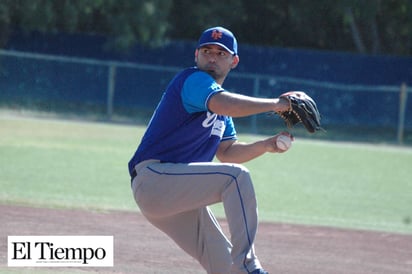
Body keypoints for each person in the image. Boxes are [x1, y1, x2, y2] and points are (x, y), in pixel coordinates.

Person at [128, 26, 293, 274]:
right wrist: (278, 104)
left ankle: (242, 269)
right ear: (196, 55)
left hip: (178, 197)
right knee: (237, 178)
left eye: (221, 53)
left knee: (225, 267)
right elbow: (224, 103)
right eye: (207, 51)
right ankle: (249, 265)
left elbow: (226, 151)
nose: (212, 57)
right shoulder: (193, 80)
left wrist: (266, 145)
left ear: (233, 61)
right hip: (154, 180)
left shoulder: (220, 109)